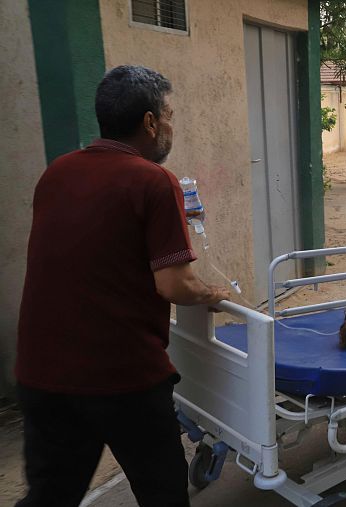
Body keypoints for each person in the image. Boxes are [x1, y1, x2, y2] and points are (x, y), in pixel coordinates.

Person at [15, 65, 231, 506]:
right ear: (150, 122)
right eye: (169, 114)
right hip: (120, 378)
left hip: (41, 375)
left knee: (50, 496)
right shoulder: (154, 181)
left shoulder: (57, 173)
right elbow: (174, 284)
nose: (172, 124)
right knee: (163, 493)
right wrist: (212, 295)